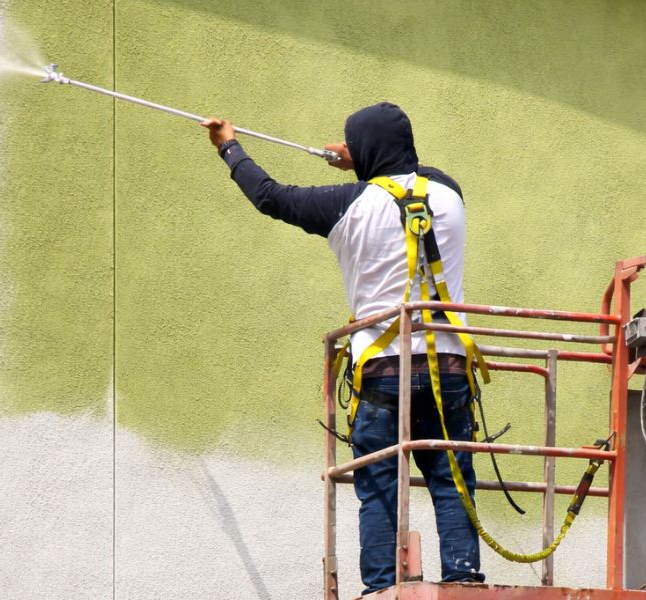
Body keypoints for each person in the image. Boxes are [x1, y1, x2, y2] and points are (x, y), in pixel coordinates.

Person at [202, 103, 484, 594]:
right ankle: (464, 579)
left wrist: (229, 146)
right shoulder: (450, 194)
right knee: (453, 482)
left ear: (364, 150)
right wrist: (362, 160)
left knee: (378, 488)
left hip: (381, 373)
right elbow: (420, 173)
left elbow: (270, 196)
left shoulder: (346, 205)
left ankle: (380, 589)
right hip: (448, 369)